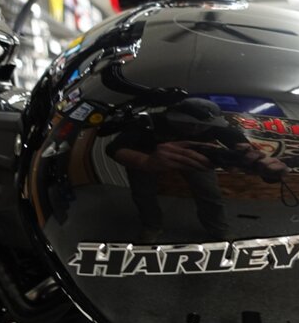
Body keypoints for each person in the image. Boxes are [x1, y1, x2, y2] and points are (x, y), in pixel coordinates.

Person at [106, 98, 287, 242]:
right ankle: (152, 226)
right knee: (143, 193)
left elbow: (245, 150)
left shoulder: (218, 125)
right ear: (170, 116)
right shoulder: (149, 121)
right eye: (187, 123)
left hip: (194, 158)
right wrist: (145, 161)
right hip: (146, 156)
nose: (196, 128)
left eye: (202, 125)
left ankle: (219, 230)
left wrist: (261, 166)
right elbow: (114, 148)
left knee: (210, 193)